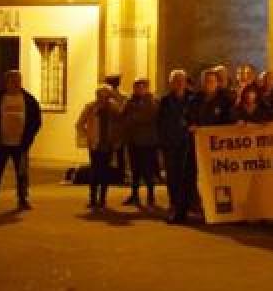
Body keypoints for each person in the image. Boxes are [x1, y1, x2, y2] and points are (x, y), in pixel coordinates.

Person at [0, 69, 42, 212]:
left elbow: (36, 121)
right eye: (13, 80)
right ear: (6, 82)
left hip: (21, 144)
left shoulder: (29, 100)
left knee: (22, 173)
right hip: (1, 143)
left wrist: (28, 138)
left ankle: (22, 198)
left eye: (18, 80)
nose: (16, 83)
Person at [157, 70, 195, 224]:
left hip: (188, 144)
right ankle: (174, 204)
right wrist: (162, 141)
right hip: (171, 144)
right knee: (172, 176)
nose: (179, 83)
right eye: (175, 80)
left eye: (181, 80)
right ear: (171, 83)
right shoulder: (165, 100)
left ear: (186, 82)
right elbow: (160, 123)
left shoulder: (193, 99)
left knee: (187, 177)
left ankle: (186, 206)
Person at [76, 86, 122, 209]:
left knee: (105, 171)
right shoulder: (91, 107)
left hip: (108, 143)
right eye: (100, 96)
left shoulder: (114, 108)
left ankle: (102, 199)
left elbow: (121, 121)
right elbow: (79, 123)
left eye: (106, 96)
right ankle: (92, 198)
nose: (103, 99)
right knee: (95, 171)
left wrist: (117, 138)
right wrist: (88, 135)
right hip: (95, 144)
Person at [120, 79, 160, 207]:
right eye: (136, 87)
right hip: (133, 141)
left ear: (146, 88)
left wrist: (132, 117)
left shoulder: (152, 101)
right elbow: (122, 115)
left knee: (148, 170)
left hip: (148, 142)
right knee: (135, 170)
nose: (138, 90)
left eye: (141, 87)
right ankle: (135, 195)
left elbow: (148, 116)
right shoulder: (130, 101)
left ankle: (150, 196)